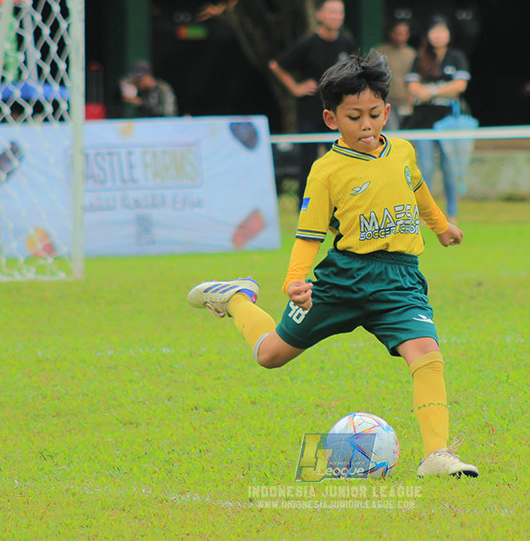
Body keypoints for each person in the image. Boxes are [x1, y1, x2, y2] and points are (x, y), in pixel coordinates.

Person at [185, 51, 478, 478]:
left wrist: (440, 226)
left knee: (427, 356)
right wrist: (294, 281)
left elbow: (418, 190)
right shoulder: (326, 172)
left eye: (374, 114)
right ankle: (236, 299)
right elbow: (309, 235)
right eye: (354, 117)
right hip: (343, 280)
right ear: (331, 119)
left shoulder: (402, 151)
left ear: (387, 112)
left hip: (399, 279)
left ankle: (437, 455)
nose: (366, 125)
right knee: (269, 355)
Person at [269, 0, 356, 198]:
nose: (336, 16)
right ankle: (305, 206)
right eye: (331, 11)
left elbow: (355, 72)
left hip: (338, 114)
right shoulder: (308, 44)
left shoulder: (347, 44)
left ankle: (339, 205)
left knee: (340, 161)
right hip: (310, 113)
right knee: (308, 162)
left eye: (339, 12)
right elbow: (276, 65)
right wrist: (296, 88)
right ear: (319, 14)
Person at [404, 16, 471, 223]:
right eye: (434, 31)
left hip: (448, 121)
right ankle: (427, 214)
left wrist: (432, 91)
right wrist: (434, 91)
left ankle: (452, 213)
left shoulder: (456, 57)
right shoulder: (420, 58)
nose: (438, 35)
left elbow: (459, 86)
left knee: (449, 168)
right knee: (425, 168)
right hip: (423, 120)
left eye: (442, 31)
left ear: (449, 34)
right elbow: (413, 87)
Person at [374, 19, 417, 130]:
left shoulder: (412, 54)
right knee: (392, 132)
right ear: (391, 33)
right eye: (397, 33)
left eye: (404, 33)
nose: (400, 37)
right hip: (386, 101)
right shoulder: (380, 52)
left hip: (406, 102)